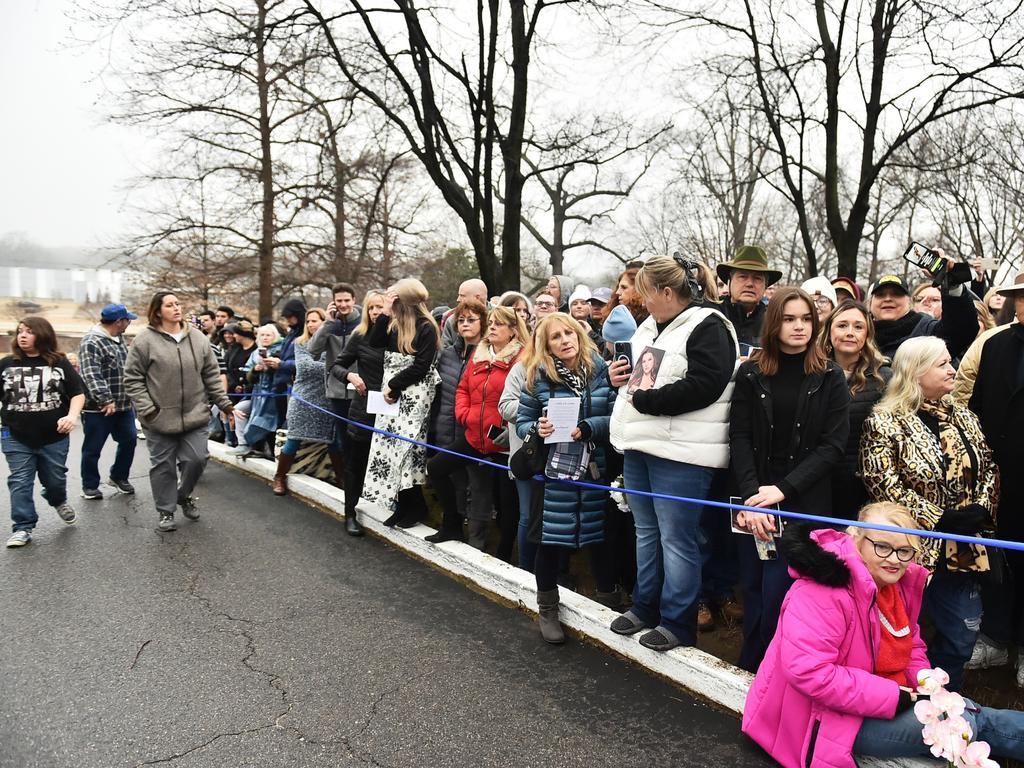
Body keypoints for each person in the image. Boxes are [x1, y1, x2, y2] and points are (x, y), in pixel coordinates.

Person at [742, 502, 1024, 767]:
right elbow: (809, 672)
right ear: (856, 539)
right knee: (962, 724)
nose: (895, 560)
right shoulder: (821, 591)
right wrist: (895, 696)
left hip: (875, 698)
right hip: (820, 718)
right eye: (882, 547)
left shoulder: (897, 585)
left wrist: (925, 684)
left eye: (904, 551)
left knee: (971, 714)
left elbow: (910, 643)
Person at [607, 255, 739, 652]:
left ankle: (678, 622)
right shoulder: (650, 326)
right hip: (639, 444)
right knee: (645, 533)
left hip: (682, 454)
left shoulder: (709, 326)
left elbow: (707, 384)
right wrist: (621, 381)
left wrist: (648, 401)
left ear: (666, 292)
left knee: (678, 540)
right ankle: (644, 605)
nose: (641, 301)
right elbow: (642, 379)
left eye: (646, 293)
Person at [860, 336, 999, 690]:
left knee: (962, 636)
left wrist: (980, 509)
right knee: (900, 633)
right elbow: (883, 484)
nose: (953, 370)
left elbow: (988, 466)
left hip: (964, 549)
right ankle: (902, 700)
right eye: (942, 364)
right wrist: (938, 518)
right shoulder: (885, 421)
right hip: (909, 551)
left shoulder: (964, 415)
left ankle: (944, 699)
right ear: (915, 372)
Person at [729, 287, 851, 672]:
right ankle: (749, 671)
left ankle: (774, 674)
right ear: (774, 323)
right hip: (754, 496)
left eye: (806, 319)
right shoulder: (751, 372)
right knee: (751, 586)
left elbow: (833, 446)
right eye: (789, 318)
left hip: (802, 498)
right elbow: (740, 436)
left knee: (782, 592)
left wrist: (782, 490)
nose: (798, 327)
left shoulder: (831, 376)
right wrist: (752, 495)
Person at [517, 313, 616, 643]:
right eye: (556, 337)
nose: (564, 340)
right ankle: (547, 608)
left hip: (593, 469)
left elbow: (615, 415)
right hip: (554, 472)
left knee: (599, 538)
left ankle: (608, 603)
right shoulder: (537, 378)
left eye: (568, 333)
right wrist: (536, 428)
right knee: (549, 541)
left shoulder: (601, 370)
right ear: (546, 346)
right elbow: (523, 421)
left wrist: (591, 427)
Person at [124, 292, 234, 532]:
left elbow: (211, 375)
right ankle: (166, 511)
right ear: (158, 311)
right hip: (158, 418)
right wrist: (148, 409)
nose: (176, 308)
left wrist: (225, 405)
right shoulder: (144, 341)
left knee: (197, 459)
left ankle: (182, 495)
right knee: (162, 466)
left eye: (178, 304)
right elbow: (132, 379)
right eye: (170, 305)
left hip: (195, 414)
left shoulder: (198, 339)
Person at [962, 273, 1024, 686]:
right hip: (1002, 476)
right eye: (1022, 298)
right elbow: (978, 407)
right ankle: (997, 636)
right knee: (999, 561)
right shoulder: (997, 343)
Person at [361, 278, 440, 527]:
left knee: (408, 451)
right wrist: (384, 312)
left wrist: (393, 386)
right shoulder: (394, 325)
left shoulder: (426, 327)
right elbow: (374, 342)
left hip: (413, 396)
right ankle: (402, 504)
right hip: (392, 394)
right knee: (390, 449)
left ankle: (416, 507)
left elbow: (421, 366)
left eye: (392, 299)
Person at [1, 317, 85, 547]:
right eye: (19, 331)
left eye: (29, 331)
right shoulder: (7, 364)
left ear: (42, 334)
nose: (23, 336)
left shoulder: (58, 363)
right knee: (19, 480)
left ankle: (56, 499)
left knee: (55, 480)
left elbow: (77, 393)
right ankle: (23, 527)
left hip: (54, 435)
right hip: (14, 434)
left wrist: (71, 416)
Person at [817, 300, 891, 520]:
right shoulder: (811, 371)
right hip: (819, 481)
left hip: (863, 486)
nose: (850, 332)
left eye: (858, 327)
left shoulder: (884, 377)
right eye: (842, 325)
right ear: (829, 330)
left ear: (867, 333)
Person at [424, 297, 486, 544]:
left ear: (483, 322)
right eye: (461, 320)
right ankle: (453, 528)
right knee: (453, 483)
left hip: (473, 433)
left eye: (472, 320)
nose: (465, 324)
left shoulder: (487, 355)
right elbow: (438, 392)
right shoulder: (447, 355)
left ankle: (478, 542)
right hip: (446, 427)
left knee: (479, 489)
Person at [330, 289, 387, 536]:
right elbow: (336, 365)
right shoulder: (360, 335)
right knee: (355, 463)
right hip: (363, 408)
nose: (375, 312)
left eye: (380, 307)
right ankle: (350, 513)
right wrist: (350, 375)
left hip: (391, 410)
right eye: (371, 307)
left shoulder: (398, 335)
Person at [271, 309, 345, 495]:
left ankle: (342, 480)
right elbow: (305, 368)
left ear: (325, 322)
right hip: (304, 399)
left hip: (328, 400)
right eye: (308, 321)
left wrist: (336, 368)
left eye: (315, 321)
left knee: (333, 442)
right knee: (293, 440)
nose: (311, 324)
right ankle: (279, 477)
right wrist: (334, 368)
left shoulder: (334, 342)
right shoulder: (300, 342)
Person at [78, 303, 139, 500]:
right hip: (99, 408)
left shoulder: (119, 339)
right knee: (93, 448)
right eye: (127, 320)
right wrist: (105, 399)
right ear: (119, 322)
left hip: (123, 404)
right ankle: (90, 485)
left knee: (129, 440)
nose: (129, 323)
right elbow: (91, 373)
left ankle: (118, 476)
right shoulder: (91, 341)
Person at [868, 268, 976, 362]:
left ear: (909, 302)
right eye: (880, 295)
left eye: (897, 294)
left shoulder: (927, 329)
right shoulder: (860, 333)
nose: (888, 299)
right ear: (870, 303)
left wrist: (952, 283)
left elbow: (961, 332)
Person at [308, 283, 362, 462]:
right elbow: (313, 350)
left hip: (360, 389)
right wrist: (328, 324)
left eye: (347, 300)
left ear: (354, 300)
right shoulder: (330, 325)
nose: (343, 304)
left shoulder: (362, 322)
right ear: (333, 302)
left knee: (359, 438)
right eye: (339, 301)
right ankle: (347, 481)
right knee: (343, 440)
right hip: (336, 390)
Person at [228, 324, 283, 456]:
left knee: (265, 423)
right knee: (239, 410)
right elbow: (248, 376)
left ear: (275, 336)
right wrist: (255, 370)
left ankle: (267, 451)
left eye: (268, 335)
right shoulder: (255, 353)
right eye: (262, 335)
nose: (265, 338)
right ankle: (243, 444)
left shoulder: (281, 350)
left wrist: (273, 366)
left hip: (274, 396)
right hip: (256, 396)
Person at [715, 245, 783, 352]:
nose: (750, 284)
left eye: (757, 278)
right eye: (743, 276)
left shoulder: (774, 323)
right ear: (729, 282)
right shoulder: (713, 314)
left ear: (765, 286)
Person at [267, 298, 307, 424]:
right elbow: (286, 354)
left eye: (290, 317)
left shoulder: (303, 334)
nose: (288, 320)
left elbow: (303, 361)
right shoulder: (292, 332)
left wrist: (281, 364)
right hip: (282, 383)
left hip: (291, 383)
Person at [441, 278, 489, 348]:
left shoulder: (500, 317)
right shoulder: (452, 320)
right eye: (461, 321)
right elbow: (443, 354)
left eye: (462, 296)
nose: (458, 299)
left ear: (477, 298)